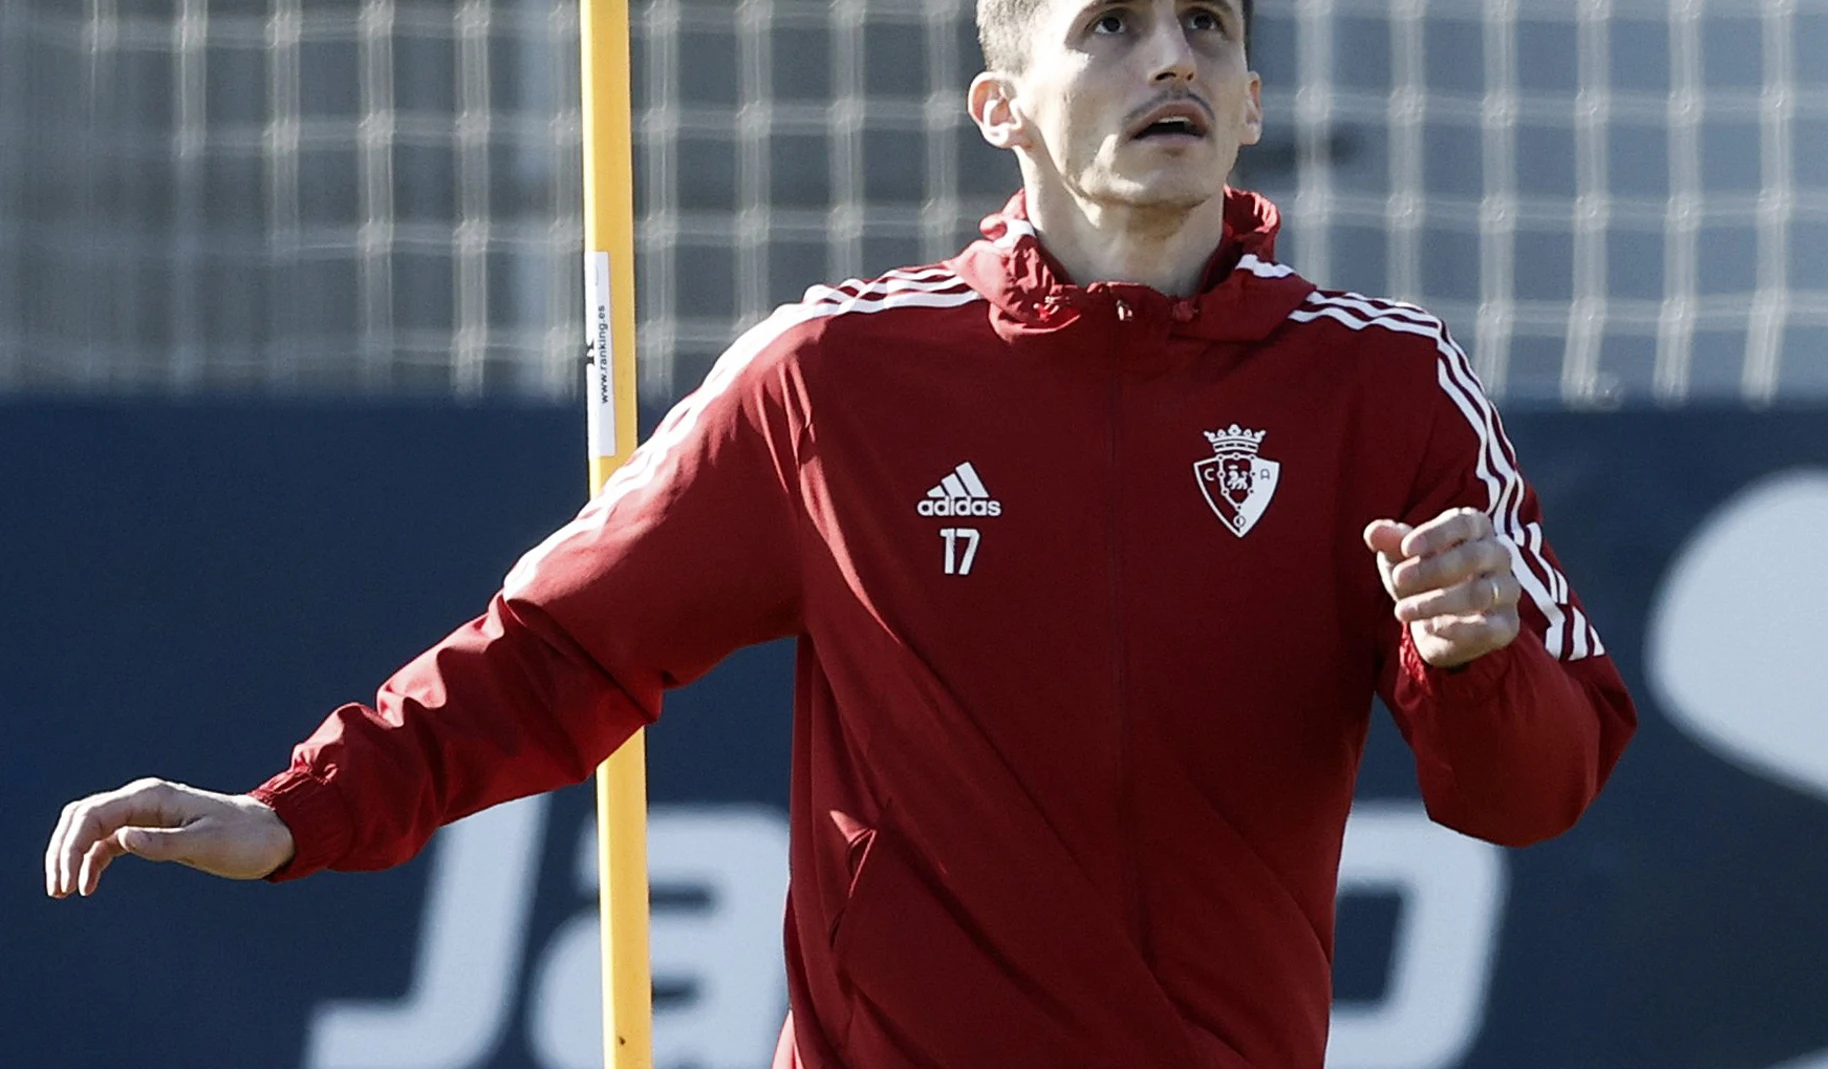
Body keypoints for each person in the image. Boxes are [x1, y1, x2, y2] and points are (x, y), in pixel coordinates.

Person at [44, 1, 1637, 1066]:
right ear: (999, 102)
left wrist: (1481, 663)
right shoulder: (832, 376)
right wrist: (297, 810)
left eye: (1206, 26)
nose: (1173, 58)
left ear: (1253, 101)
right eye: (1112, 25)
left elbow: (1532, 795)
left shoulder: (1389, 382)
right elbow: (557, 649)